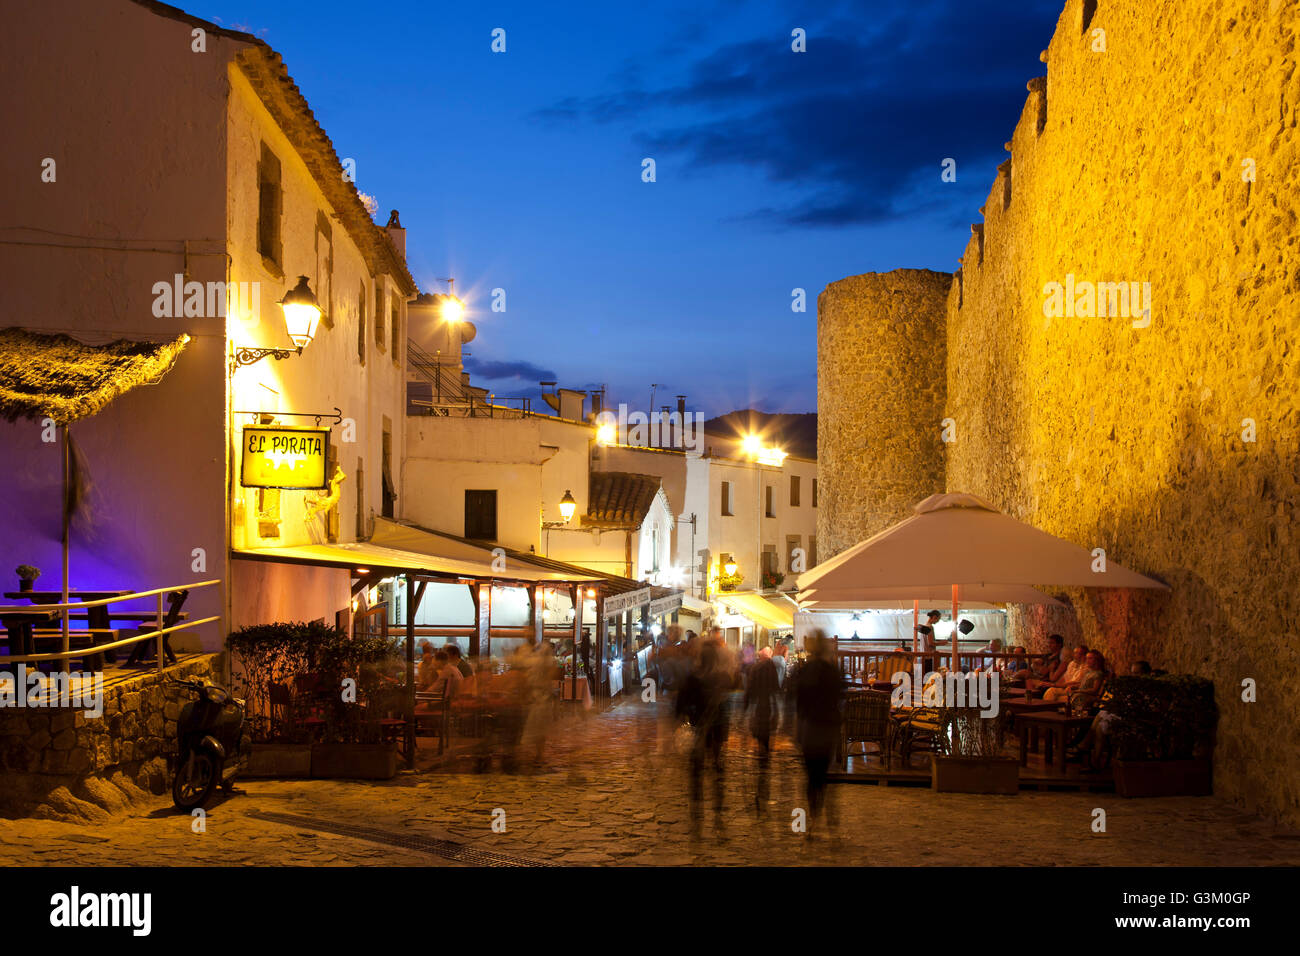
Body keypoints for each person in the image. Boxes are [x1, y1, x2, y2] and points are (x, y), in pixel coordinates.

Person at [675, 640, 732, 836]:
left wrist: (685, 720)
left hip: (698, 731)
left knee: (696, 773)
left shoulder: (692, 679)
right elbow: (725, 709)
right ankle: (717, 814)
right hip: (715, 733)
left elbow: (679, 707)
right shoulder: (722, 678)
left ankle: (697, 815)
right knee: (717, 773)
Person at [795, 632, 845, 837]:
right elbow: (840, 698)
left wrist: (796, 730)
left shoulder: (805, 670)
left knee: (811, 775)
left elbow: (798, 703)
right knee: (824, 773)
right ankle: (829, 819)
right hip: (827, 728)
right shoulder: (833, 671)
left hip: (809, 728)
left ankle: (813, 817)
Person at [744, 646, 780, 812]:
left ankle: (761, 751)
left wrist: (745, 708)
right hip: (766, 706)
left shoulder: (755, 668)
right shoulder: (770, 667)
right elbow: (775, 688)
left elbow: (749, 690)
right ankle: (764, 755)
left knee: (759, 730)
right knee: (765, 733)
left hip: (758, 706)